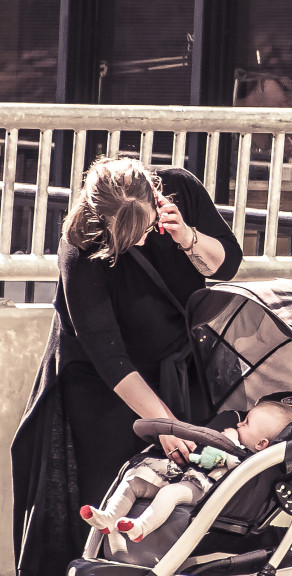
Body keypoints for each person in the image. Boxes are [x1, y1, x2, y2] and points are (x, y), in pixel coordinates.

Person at [11, 157, 243, 576]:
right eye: (125, 240)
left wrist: (188, 237)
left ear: (158, 200)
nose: (136, 244)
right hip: (104, 390)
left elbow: (227, 265)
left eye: (143, 233)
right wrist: (165, 423)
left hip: (177, 372)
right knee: (107, 499)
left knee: (175, 500)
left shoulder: (181, 189)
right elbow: (109, 356)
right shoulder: (81, 246)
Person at [79, 400, 292, 551]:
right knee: (135, 480)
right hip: (182, 472)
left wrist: (231, 443)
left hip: (201, 487)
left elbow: (228, 464)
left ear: (261, 444)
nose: (239, 423)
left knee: (170, 494)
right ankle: (108, 517)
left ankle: (141, 527)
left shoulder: (249, 461)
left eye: (246, 423)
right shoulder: (235, 436)